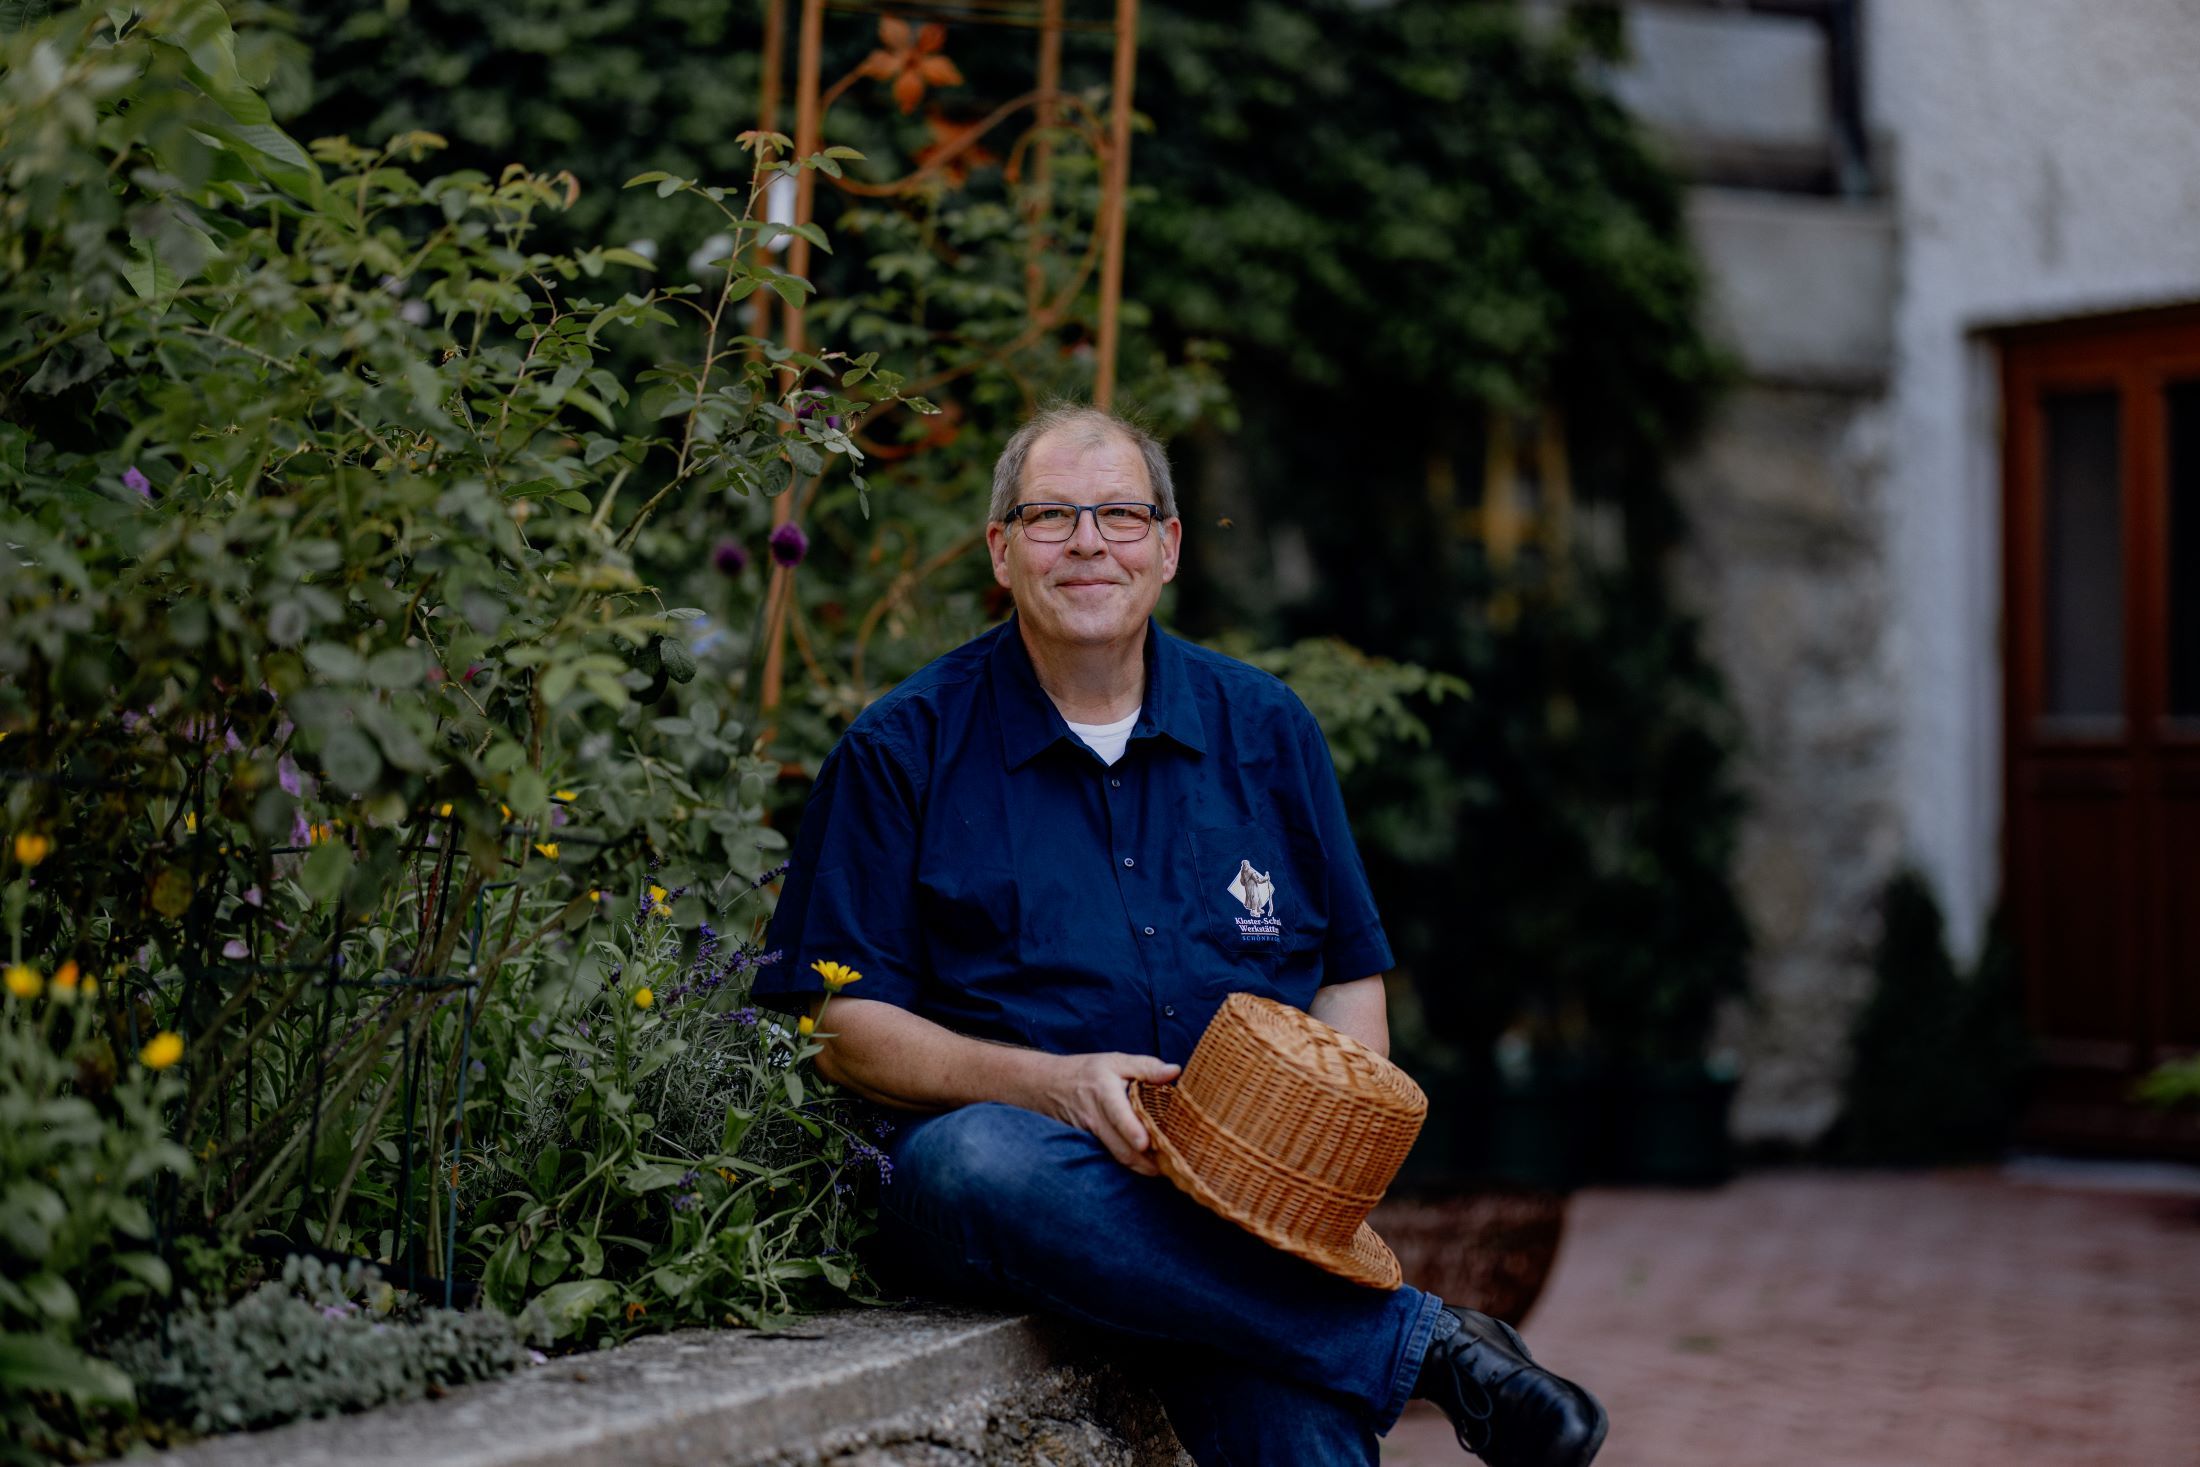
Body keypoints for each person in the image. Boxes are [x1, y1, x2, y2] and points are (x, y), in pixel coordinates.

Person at [752, 404, 1606, 1466]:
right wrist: (1051, 1086)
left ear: (1167, 546)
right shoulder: (901, 751)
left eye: (1118, 514)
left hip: (1239, 1213)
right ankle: (1428, 1352)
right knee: (969, 1159)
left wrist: (1322, 1162)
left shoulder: (1264, 728)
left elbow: (1347, 977)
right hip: (1024, 1183)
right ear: (1000, 550)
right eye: (1051, 516)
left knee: (1293, 1410)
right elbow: (838, 1026)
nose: (1087, 543)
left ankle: (1357, 1338)